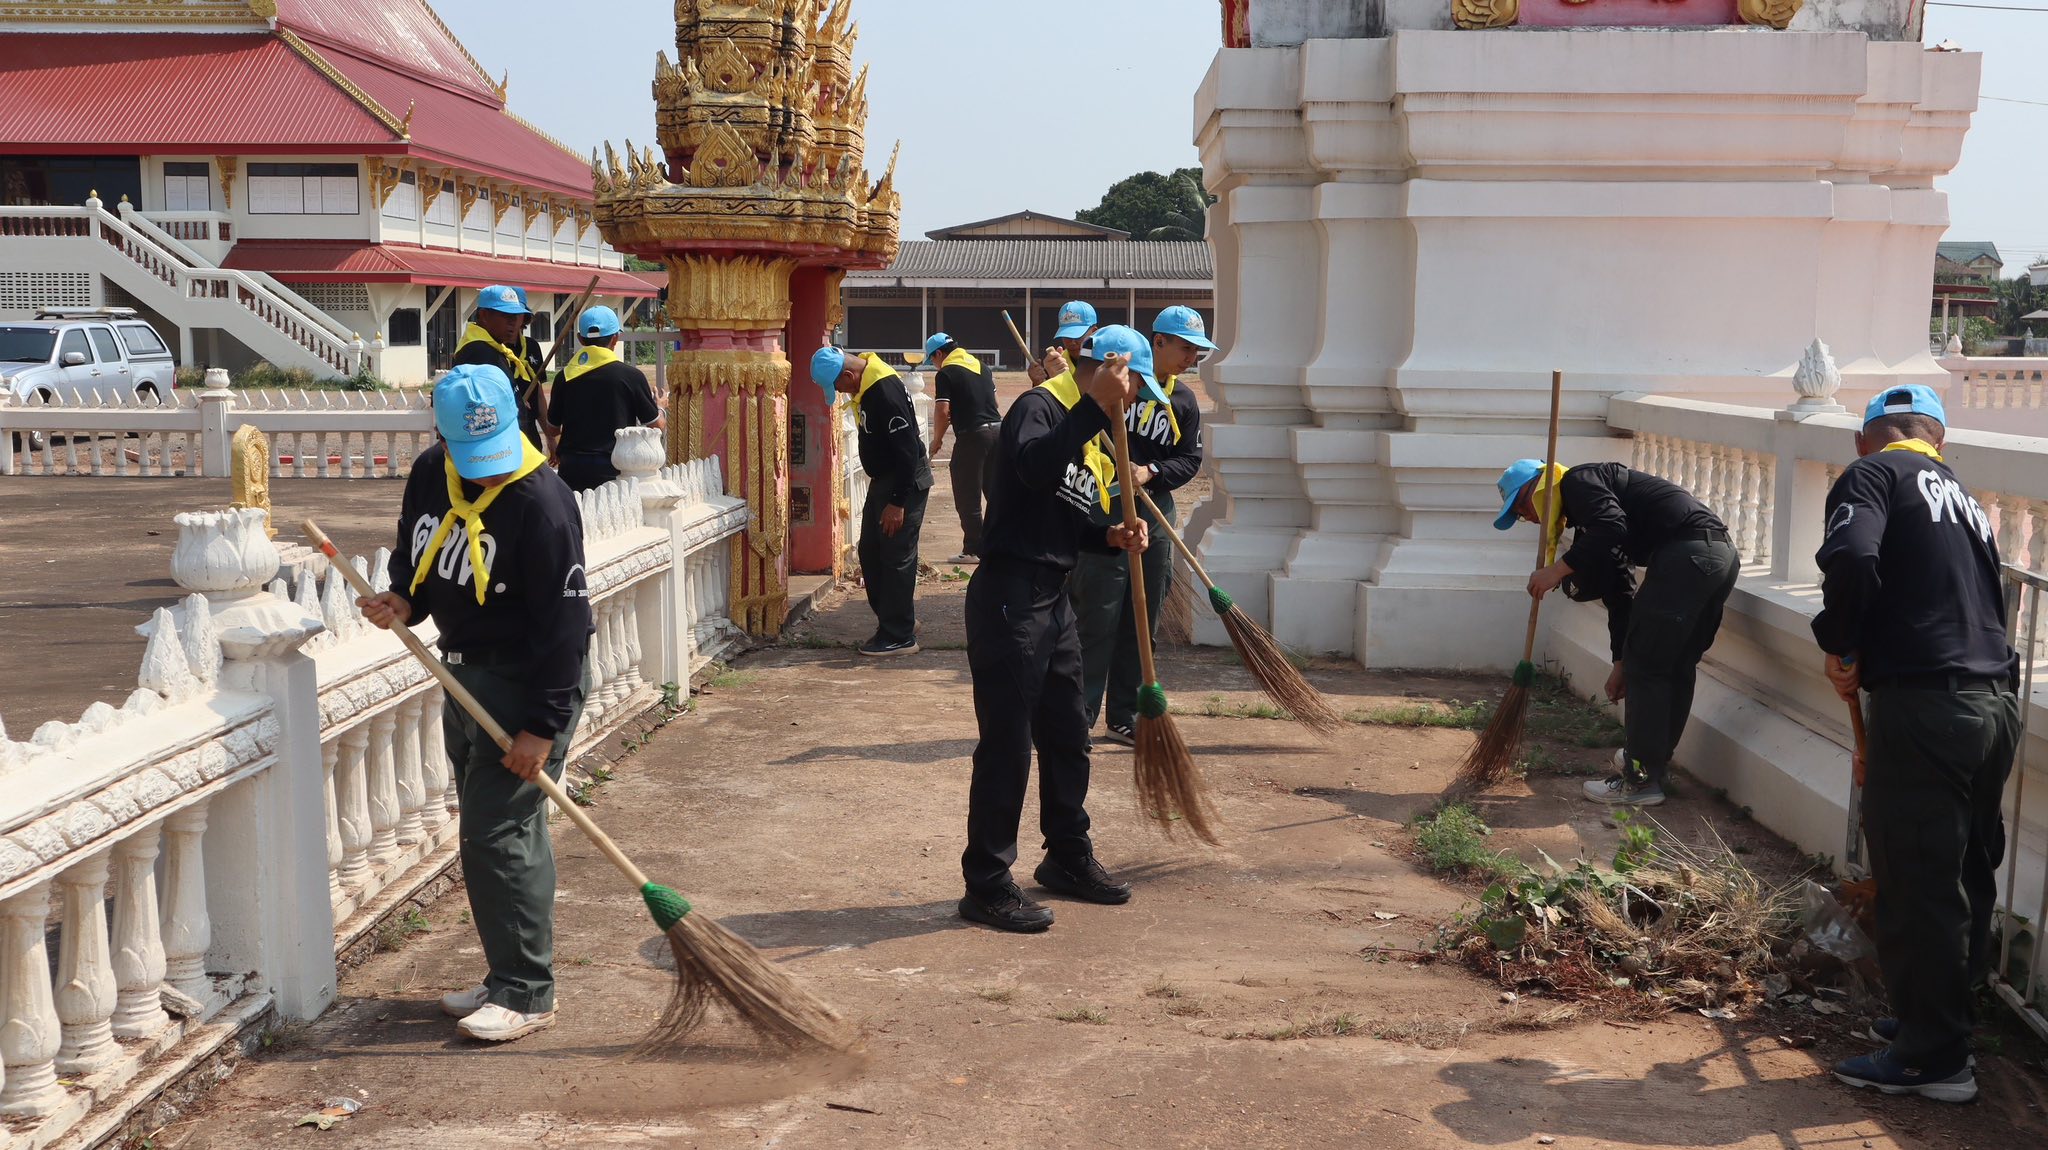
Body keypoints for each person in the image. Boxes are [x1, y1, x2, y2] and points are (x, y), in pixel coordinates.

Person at [355, 363, 592, 1044]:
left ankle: (527, 992)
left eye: (496, 453)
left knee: (500, 834)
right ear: (443, 439)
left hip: (529, 681)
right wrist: (404, 601)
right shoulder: (433, 473)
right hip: (464, 676)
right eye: (472, 457)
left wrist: (542, 727)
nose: (489, 473)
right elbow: (418, 552)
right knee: (491, 834)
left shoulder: (543, 503)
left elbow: (567, 627)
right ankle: (505, 976)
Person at [1813, 384, 2018, 1103]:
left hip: (1927, 708)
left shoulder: (1872, 475)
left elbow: (1852, 557)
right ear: (1938, 440)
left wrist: (1841, 642)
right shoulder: (1963, 499)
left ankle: (1933, 1059)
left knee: (1917, 880)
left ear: (1864, 439)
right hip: (1992, 705)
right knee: (1965, 873)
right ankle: (1939, 1022)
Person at [959, 325, 1153, 933]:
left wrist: (1109, 536)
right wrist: (1095, 406)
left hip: (1053, 596)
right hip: (1009, 597)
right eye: (1134, 385)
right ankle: (987, 884)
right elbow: (1032, 469)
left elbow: (1063, 519)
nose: (1134, 398)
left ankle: (1067, 855)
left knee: (1069, 733)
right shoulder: (1038, 409)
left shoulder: (1093, 428)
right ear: (1107, 371)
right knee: (1008, 744)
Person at [1495, 453, 1737, 806]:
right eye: (1519, 516)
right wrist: (1621, 662)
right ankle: (1651, 769)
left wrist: (1556, 570)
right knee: (1671, 666)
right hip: (1717, 559)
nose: (1527, 518)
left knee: (1650, 667)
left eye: (1520, 507)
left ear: (1537, 488)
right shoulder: (1592, 522)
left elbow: (1612, 526)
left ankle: (1639, 781)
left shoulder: (1578, 481)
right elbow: (1620, 594)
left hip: (1686, 558)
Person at [1074, 306, 1211, 745]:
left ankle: (1125, 714)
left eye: (1197, 352)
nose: (1191, 358)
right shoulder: (1111, 387)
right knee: (1098, 614)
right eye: (1185, 348)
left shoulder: (1183, 401)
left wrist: (1150, 472)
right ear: (1158, 342)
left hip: (1154, 510)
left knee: (1142, 614)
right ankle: (1077, 716)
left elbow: (1189, 460)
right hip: (1105, 505)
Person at [810, 346, 932, 657]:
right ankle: (897, 620)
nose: (841, 393)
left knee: (895, 556)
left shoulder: (883, 392)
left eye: (839, 386)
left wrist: (898, 502)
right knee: (871, 551)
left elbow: (907, 451)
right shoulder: (867, 379)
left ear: (849, 375)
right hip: (886, 480)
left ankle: (899, 636)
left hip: (902, 481)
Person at [546, 305, 663, 493]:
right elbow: (656, 425)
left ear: (580, 338)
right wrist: (661, 407)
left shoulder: (564, 377)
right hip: (614, 468)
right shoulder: (630, 376)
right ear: (615, 338)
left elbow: (552, 429)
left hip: (571, 469)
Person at [924, 331, 1002, 563]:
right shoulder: (982, 367)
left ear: (939, 354)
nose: (935, 365)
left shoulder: (946, 373)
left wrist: (937, 440)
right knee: (995, 492)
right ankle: (1001, 544)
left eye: (932, 360)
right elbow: (995, 403)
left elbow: (942, 411)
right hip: (998, 432)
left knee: (967, 493)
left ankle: (973, 549)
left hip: (973, 435)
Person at [453, 285, 549, 452]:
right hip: (498, 449)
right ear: (484, 315)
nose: (513, 322)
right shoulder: (480, 352)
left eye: (516, 316)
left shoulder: (494, 349)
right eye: (506, 315)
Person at [1025, 299, 1099, 385]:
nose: (1072, 342)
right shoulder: (1054, 365)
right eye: (1067, 335)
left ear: (1094, 332)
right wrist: (1038, 383)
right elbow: (1046, 393)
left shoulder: (1106, 362)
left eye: (1078, 335)